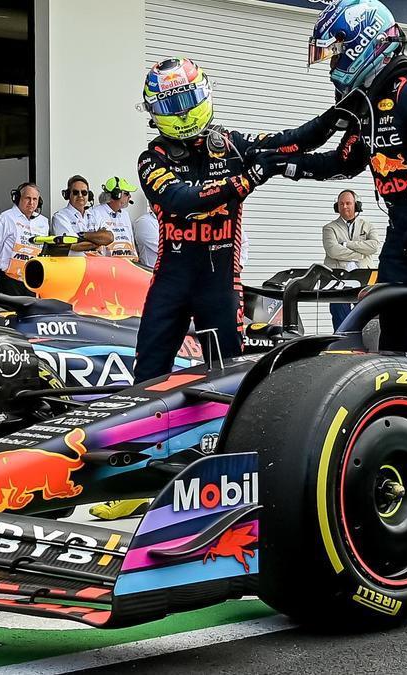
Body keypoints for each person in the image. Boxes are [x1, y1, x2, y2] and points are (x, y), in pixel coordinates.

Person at [91, 56, 346, 522]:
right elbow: (179, 201)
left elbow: (294, 141)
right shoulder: (152, 157)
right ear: (156, 110)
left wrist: (339, 115)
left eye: (190, 98)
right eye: (176, 103)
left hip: (217, 279)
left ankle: (231, 475)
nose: (186, 110)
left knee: (230, 378)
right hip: (171, 277)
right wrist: (244, 179)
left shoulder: (229, 142)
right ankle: (135, 478)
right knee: (147, 375)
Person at [280, 0, 407, 355]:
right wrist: (282, 166)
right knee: (392, 340)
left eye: (337, 51)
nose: (333, 62)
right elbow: (344, 162)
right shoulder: (370, 104)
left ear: (363, 43)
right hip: (402, 229)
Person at [323, 189, 379, 329]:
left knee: (367, 317)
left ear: (356, 205)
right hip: (339, 281)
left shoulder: (368, 226)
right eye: (341, 204)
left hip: (364, 280)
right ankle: (342, 347)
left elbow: (373, 246)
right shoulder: (329, 228)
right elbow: (333, 250)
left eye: (348, 203)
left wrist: (347, 244)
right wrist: (360, 254)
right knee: (341, 319)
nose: (345, 206)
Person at [0, 182, 50, 297]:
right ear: (17, 198)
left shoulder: (43, 222)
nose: (31, 203)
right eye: (28, 198)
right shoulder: (5, 218)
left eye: (35, 199)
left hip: (33, 281)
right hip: (9, 280)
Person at [50, 176, 112, 254]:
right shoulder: (60, 216)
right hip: (74, 264)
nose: (80, 195)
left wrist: (83, 235)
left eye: (84, 192)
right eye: (76, 192)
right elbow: (72, 244)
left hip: (97, 263)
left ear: (89, 195)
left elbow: (109, 237)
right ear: (68, 194)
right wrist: (99, 242)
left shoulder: (96, 214)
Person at [88, 177, 140, 259]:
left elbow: (130, 240)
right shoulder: (94, 213)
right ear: (115, 195)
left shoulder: (125, 214)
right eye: (126, 193)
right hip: (108, 266)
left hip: (129, 264)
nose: (130, 196)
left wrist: (135, 256)